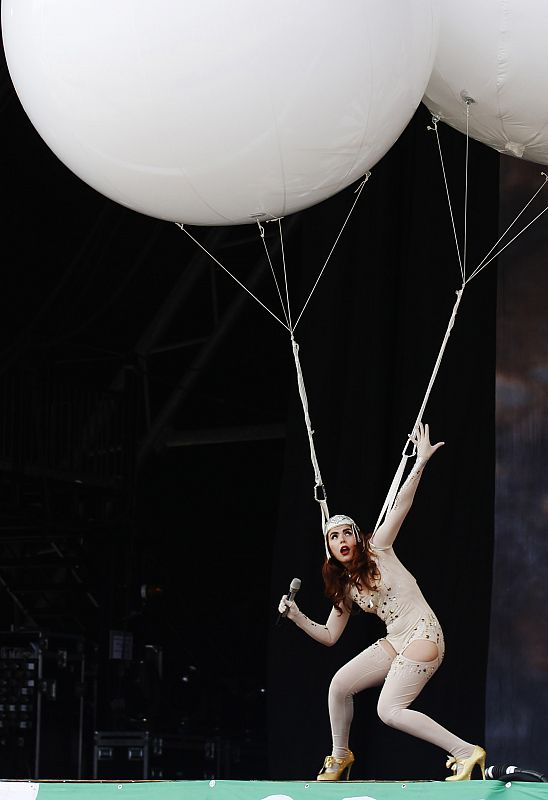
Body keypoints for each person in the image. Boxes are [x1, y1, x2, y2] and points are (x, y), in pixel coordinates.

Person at [278, 422, 485, 782]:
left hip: (423, 635)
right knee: (339, 685)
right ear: (328, 549)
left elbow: (401, 505)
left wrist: (419, 463)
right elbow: (330, 636)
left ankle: (466, 752)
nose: (341, 539)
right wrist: (296, 616)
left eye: (346, 533)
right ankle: (340, 757)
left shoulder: (379, 549)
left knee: (388, 710)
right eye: (333, 536)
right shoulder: (345, 588)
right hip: (396, 640)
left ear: (357, 539)